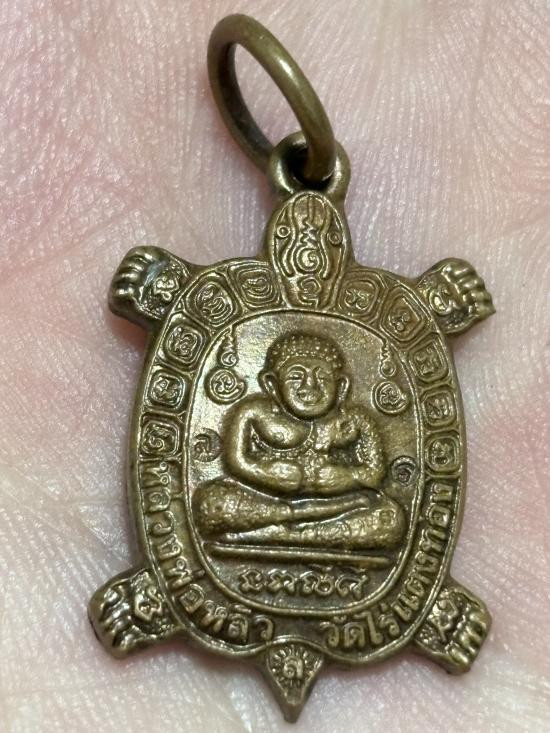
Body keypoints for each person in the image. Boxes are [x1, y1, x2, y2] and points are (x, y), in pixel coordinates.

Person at [193, 332, 405, 550]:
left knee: (389, 517)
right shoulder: (254, 413)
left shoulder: (354, 420)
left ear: (341, 386)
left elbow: (375, 473)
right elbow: (236, 462)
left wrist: (349, 477)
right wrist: (265, 473)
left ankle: (279, 535)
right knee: (212, 502)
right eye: (295, 377)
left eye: (322, 378)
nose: (310, 387)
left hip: (340, 504)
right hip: (267, 504)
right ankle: (301, 529)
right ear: (271, 384)